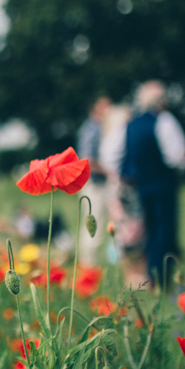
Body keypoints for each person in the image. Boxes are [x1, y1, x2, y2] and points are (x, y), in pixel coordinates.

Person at [120, 81, 185, 288]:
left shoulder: (131, 124)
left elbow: (119, 154)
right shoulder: (165, 121)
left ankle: (151, 273)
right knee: (164, 229)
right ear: (160, 100)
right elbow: (175, 157)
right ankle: (161, 278)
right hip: (163, 183)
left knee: (150, 229)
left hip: (141, 185)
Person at [75, 96, 112, 263]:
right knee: (92, 227)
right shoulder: (91, 129)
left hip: (102, 184)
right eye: (105, 108)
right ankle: (88, 266)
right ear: (96, 109)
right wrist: (111, 171)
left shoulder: (102, 128)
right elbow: (87, 159)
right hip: (94, 185)